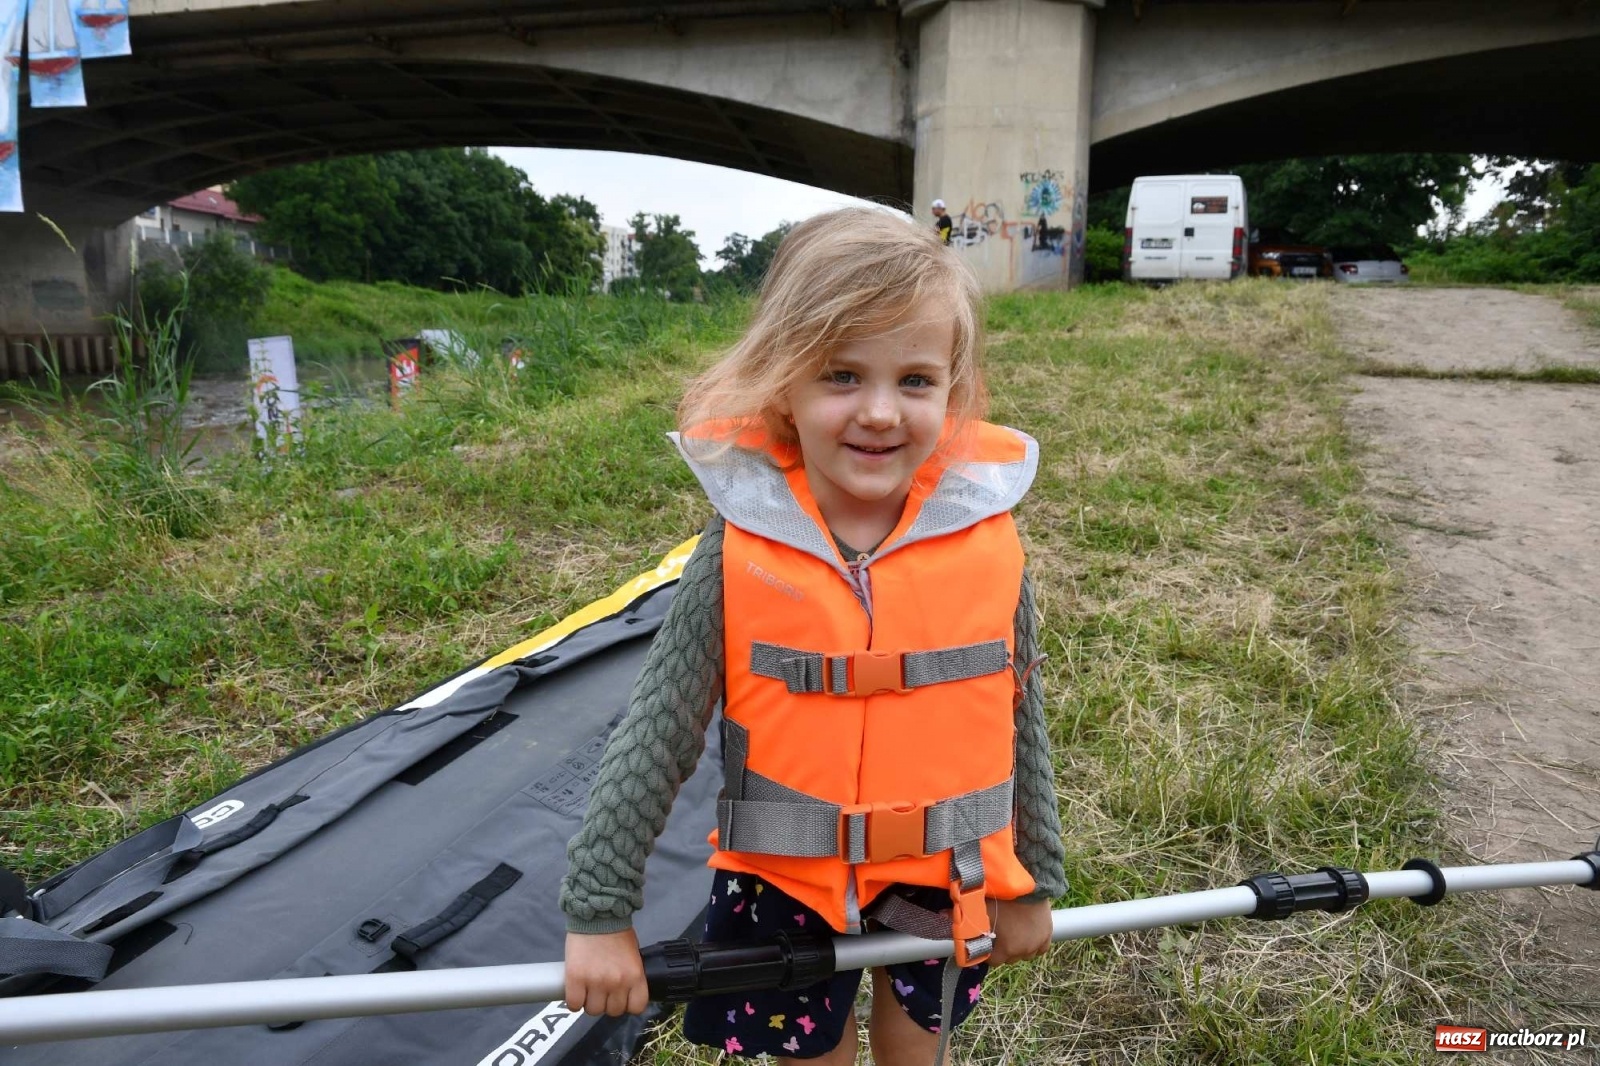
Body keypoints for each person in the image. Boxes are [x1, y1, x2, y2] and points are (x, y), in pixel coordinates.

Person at [560, 206, 1066, 1066]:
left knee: (917, 1055)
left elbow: (1020, 716)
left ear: (953, 387)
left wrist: (1036, 880)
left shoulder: (982, 531)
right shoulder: (740, 544)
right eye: (841, 375)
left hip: (944, 876)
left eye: (915, 381)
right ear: (783, 386)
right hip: (788, 885)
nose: (879, 412)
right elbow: (658, 732)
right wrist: (599, 913)